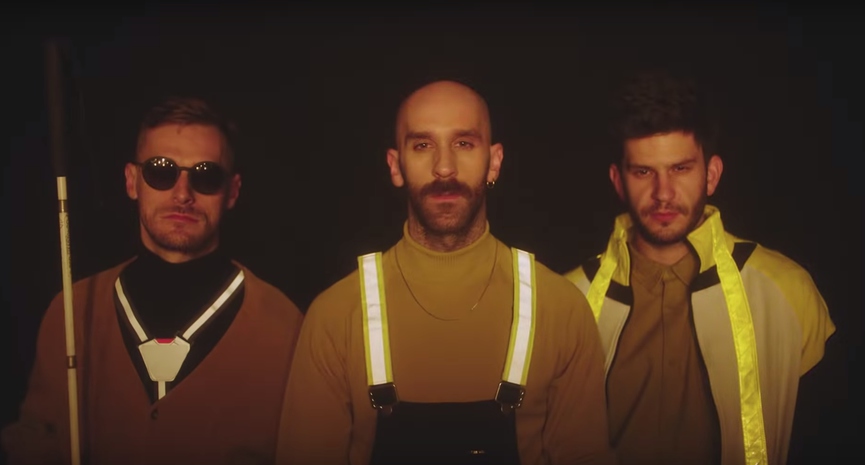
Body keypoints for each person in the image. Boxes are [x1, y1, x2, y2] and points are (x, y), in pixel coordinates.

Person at [275, 80, 616, 465]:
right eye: (422, 145)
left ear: (494, 161)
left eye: (464, 143)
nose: (444, 167)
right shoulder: (335, 316)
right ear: (395, 166)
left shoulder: (561, 309)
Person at [2, 97, 304, 465]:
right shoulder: (71, 311)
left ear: (233, 191)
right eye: (162, 171)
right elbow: (34, 440)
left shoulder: (285, 328)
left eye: (206, 175)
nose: (183, 194)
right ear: (132, 181)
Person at [564, 69, 836, 465]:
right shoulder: (568, 299)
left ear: (711, 175)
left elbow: (828, 438)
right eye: (643, 172)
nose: (663, 193)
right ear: (618, 181)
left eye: (680, 168)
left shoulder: (787, 290)